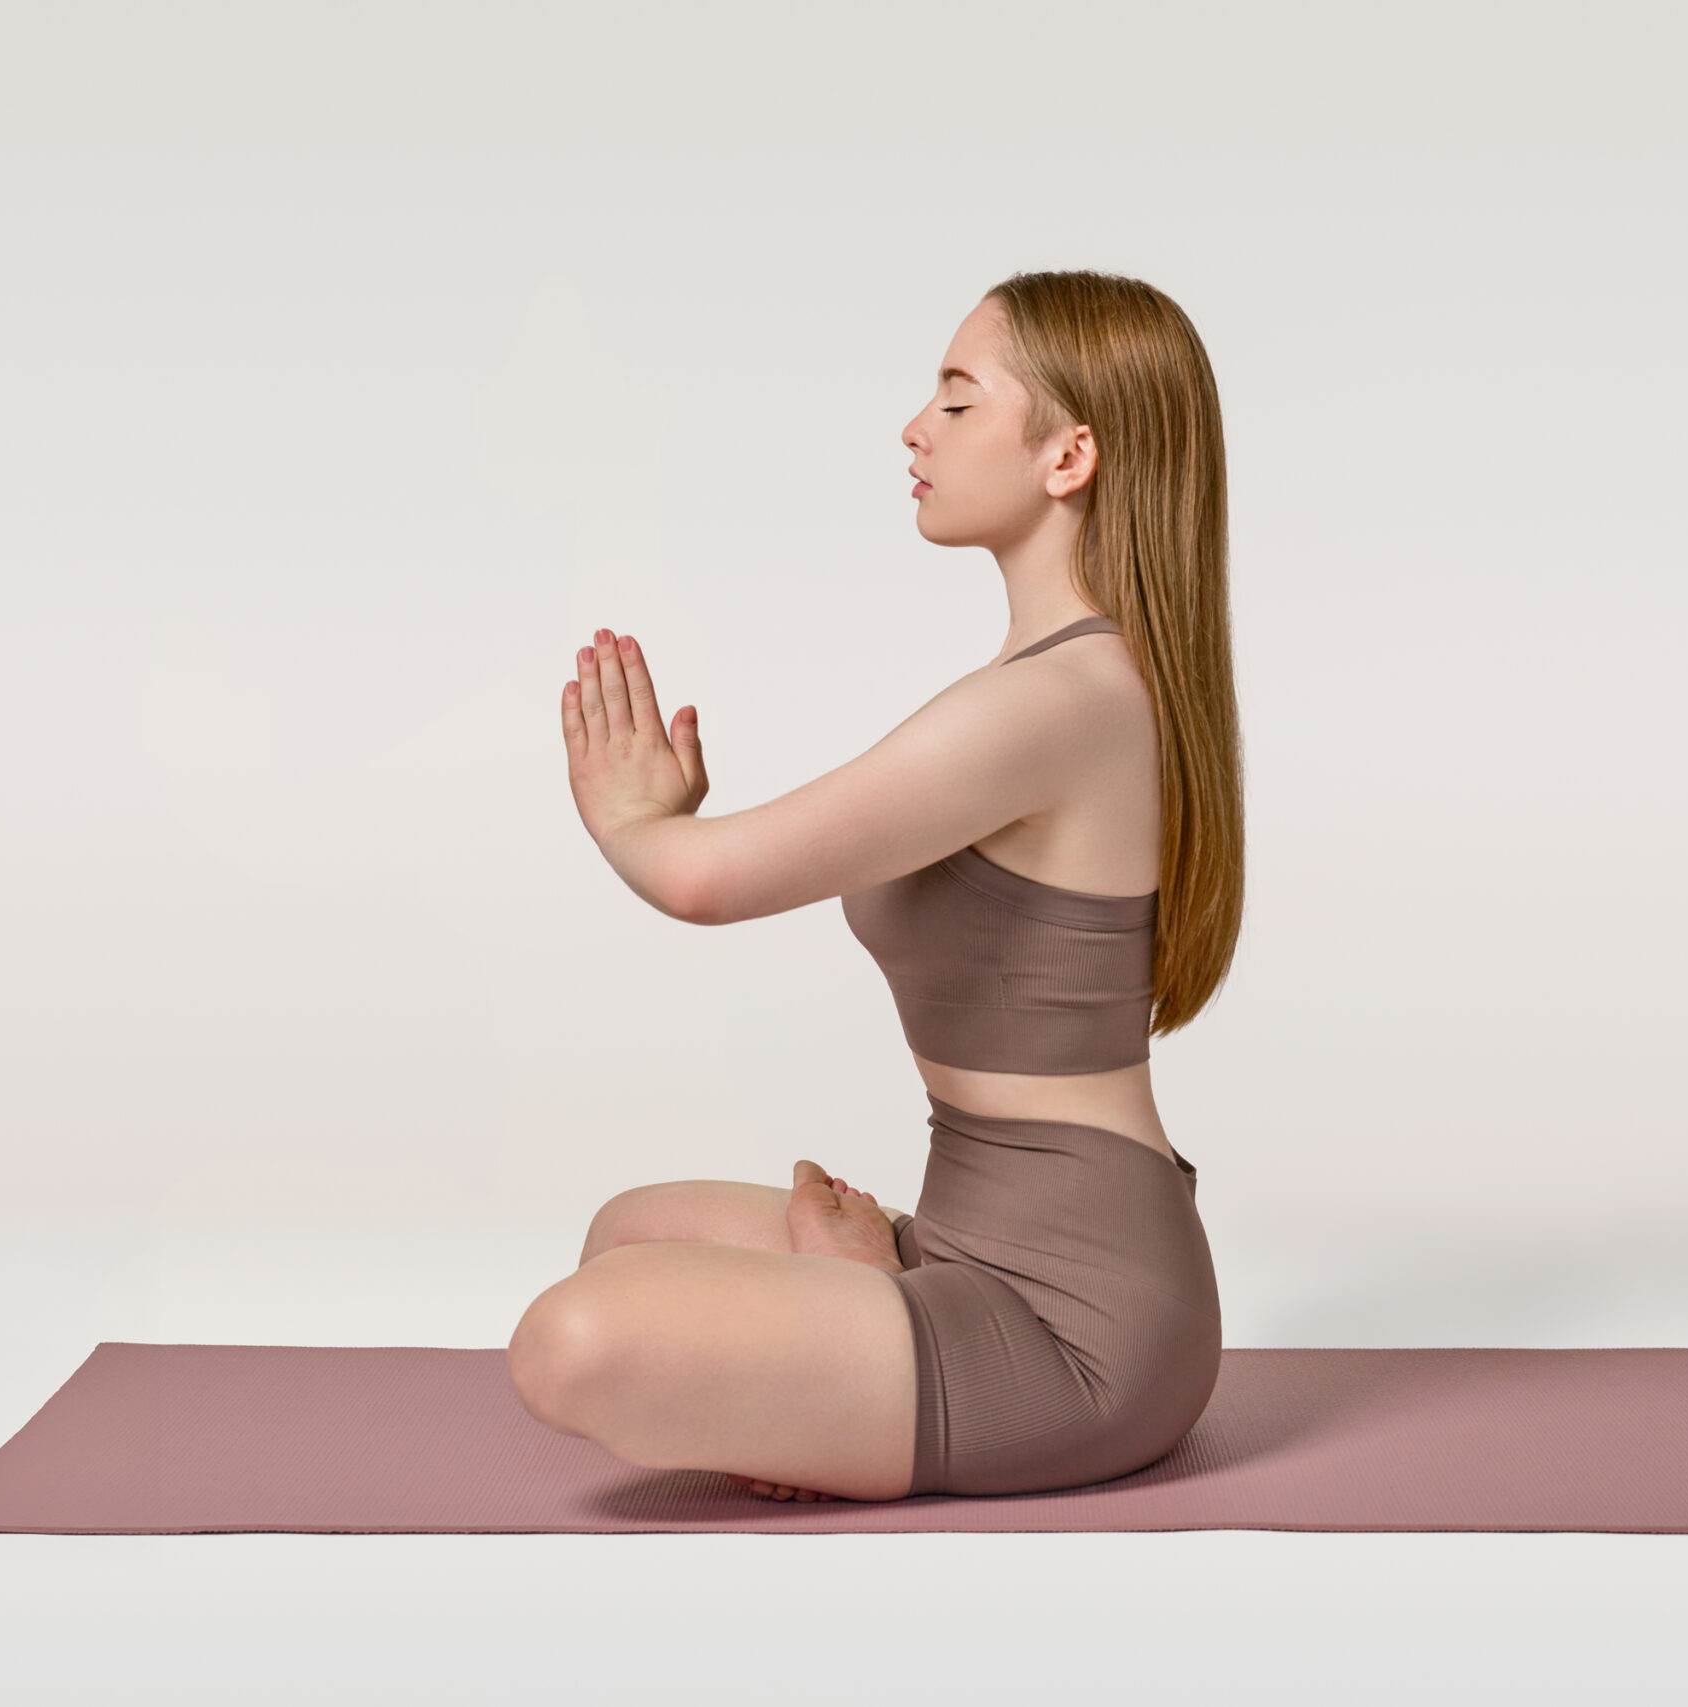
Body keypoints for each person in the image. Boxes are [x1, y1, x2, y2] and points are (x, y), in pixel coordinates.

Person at [506, 269, 1245, 1501]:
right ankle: (852, 1341)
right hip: (967, 1237)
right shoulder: (1057, 683)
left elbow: (702, 883)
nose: (915, 427)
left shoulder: (1054, 704)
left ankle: (851, 1326)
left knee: (571, 1341)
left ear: (1069, 456)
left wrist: (637, 821)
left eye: (957, 401)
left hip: (1081, 1328)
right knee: (628, 1236)